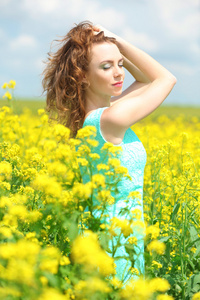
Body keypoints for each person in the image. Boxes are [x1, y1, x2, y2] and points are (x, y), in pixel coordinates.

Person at [42, 21, 176, 283]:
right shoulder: (110, 119)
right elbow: (164, 78)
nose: (119, 73)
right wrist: (118, 40)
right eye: (106, 67)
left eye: (121, 64)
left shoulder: (94, 117)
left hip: (115, 239)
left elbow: (145, 80)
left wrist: (110, 48)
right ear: (82, 75)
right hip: (115, 246)